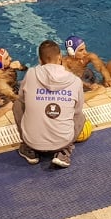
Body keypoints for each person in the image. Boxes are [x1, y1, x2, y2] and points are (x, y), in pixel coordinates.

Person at [14, 40, 85, 168]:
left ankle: (28, 149)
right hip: (62, 142)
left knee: (17, 105)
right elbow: (77, 110)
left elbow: (22, 99)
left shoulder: (30, 74)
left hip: (32, 141)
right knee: (80, 116)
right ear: (60, 57)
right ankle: (64, 152)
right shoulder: (76, 81)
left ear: (40, 60)